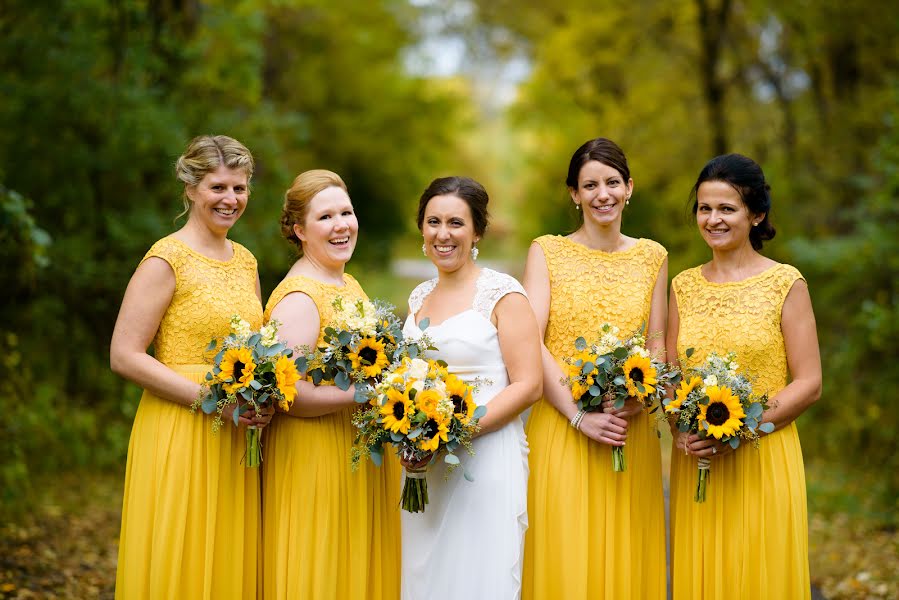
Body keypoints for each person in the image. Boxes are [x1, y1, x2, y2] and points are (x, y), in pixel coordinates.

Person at [111, 135, 270, 599]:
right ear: (191, 188)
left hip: (237, 431)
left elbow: (256, 346)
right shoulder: (166, 259)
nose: (231, 199)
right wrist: (210, 402)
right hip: (179, 426)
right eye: (218, 187)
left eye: (239, 188)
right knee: (179, 552)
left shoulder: (246, 262)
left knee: (226, 558)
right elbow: (124, 354)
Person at [667, 153, 821, 599]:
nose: (713, 219)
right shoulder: (683, 286)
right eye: (704, 208)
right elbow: (672, 374)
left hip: (762, 455)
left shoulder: (785, 284)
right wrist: (682, 429)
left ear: (756, 215)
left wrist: (739, 427)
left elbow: (809, 382)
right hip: (698, 464)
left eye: (726, 209)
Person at [521, 138, 669, 599]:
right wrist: (578, 415)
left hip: (627, 427)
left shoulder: (653, 256)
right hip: (564, 424)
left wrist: (636, 400)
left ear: (629, 188)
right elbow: (533, 339)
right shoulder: (547, 252)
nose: (602, 194)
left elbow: (657, 341)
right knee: (564, 554)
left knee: (626, 556)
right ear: (574, 194)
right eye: (590, 185)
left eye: (611, 182)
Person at [260, 169, 401, 599]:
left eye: (346, 212)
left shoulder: (346, 282)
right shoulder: (300, 298)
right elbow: (288, 392)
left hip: (351, 450)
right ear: (300, 230)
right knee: (320, 569)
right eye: (325, 217)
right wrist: (364, 394)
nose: (341, 225)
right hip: (315, 457)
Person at [400, 176, 542, 599]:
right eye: (433, 222)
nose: (443, 234)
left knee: (479, 577)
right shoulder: (417, 297)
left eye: (456, 223)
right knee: (426, 577)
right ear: (422, 229)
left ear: (477, 230)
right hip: (425, 466)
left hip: (486, 462)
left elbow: (529, 385)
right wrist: (414, 436)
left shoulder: (503, 294)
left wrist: (455, 432)